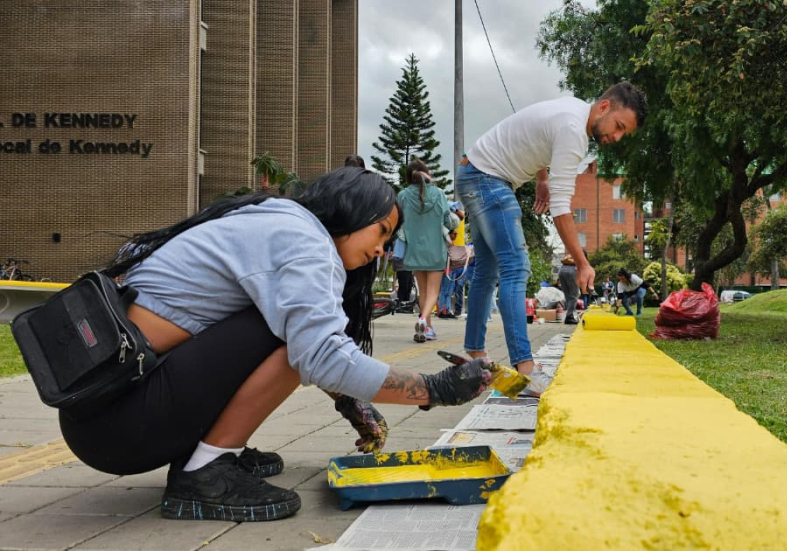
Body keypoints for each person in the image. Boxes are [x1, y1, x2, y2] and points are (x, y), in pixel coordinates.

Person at [55, 166, 494, 522]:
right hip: (118, 422)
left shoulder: (275, 218)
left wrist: (352, 398)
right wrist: (434, 388)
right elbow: (318, 354)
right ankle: (206, 473)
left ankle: (206, 455)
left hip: (102, 412)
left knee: (289, 332)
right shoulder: (306, 243)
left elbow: (313, 344)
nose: (382, 250)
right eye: (381, 232)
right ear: (350, 210)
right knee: (289, 341)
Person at [457, 82, 647, 390]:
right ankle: (526, 369)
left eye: (624, 133)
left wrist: (541, 178)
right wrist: (583, 263)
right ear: (604, 107)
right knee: (516, 268)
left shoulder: (573, 108)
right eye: (619, 126)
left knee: (487, 271)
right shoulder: (574, 132)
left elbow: (538, 137)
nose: (616, 137)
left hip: (472, 171)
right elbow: (561, 208)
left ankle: (474, 354)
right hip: (488, 179)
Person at [397, 159, 459, 343]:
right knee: (434, 292)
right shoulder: (439, 194)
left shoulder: (403, 196)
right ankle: (423, 320)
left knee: (423, 291)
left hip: (414, 249)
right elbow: (447, 220)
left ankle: (428, 329)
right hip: (435, 249)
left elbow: (398, 219)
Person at [557, 253, 579, 324]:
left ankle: (570, 316)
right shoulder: (580, 254)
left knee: (568, 296)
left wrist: (568, 260)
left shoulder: (570, 253)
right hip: (571, 271)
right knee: (574, 297)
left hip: (561, 271)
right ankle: (569, 317)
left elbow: (563, 260)